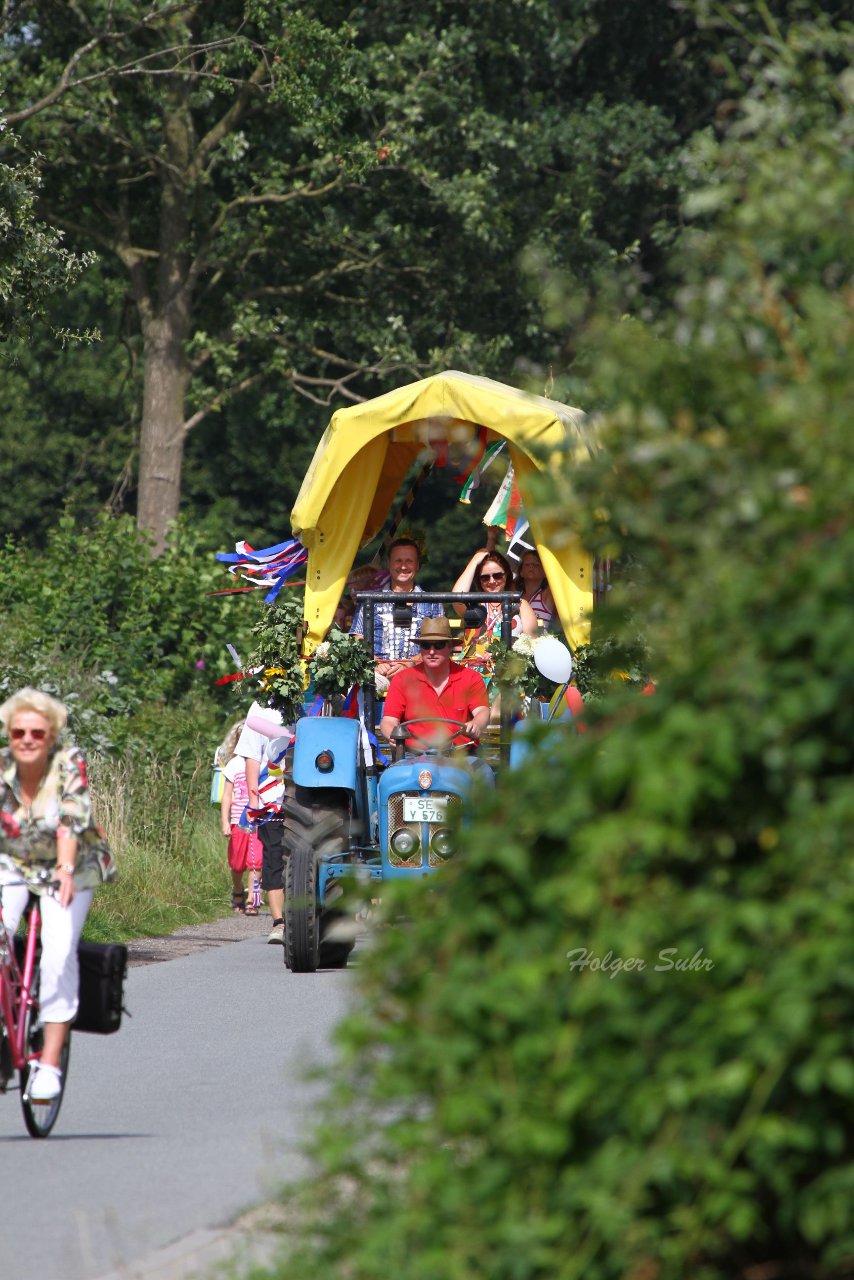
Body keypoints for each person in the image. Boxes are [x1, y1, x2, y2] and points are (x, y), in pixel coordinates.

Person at [0, 688, 111, 1103]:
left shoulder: (68, 764)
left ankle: (48, 1064)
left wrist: (64, 869)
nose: (26, 739)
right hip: (12, 864)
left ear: (50, 737)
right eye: (18, 733)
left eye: (36, 733)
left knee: (58, 951)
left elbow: (70, 821)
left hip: (71, 865)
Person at [379, 616, 491, 751]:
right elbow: (389, 721)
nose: (432, 651)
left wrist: (476, 724)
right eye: (426, 646)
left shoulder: (470, 677)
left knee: (483, 772)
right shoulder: (402, 679)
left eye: (439, 645)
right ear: (420, 648)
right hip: (414, 757)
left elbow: (482, 712)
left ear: (450, 646)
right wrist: (393, 735)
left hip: (461, 756)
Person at [235, 701, 291, 944]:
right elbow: (252, 755)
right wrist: (253, 799)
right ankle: (279, 922)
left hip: (311, 794)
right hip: (272, 797)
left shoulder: (320, 693)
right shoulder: (261, 708)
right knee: (273, 856)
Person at [350, 538, 444, 678]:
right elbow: (358, 638)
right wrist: (375, 662)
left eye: (409, 561)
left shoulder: (433, 602)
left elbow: (439, 643)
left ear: (417, 565)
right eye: (398, 561)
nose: (404, 566)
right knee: (366, 685)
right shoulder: (370, 600)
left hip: (419, 673)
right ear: (389, 564)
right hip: (378, 673)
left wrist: (410, 664)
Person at [218, 720, 264, 916]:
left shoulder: (262, 764)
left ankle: (253, 898)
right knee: (237, 863)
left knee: (257, 862)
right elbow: (227, 796)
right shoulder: (234, 765)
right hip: (238, 821)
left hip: (259, 820)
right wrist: (225, 822)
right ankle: (237, 889)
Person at [514, 547, 557, 630]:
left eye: (536, 565)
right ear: (521, 572)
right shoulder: (515, 592)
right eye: (527, 565)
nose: (531, 567)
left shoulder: (548, 593)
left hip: (541, 641)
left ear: (545, 572)